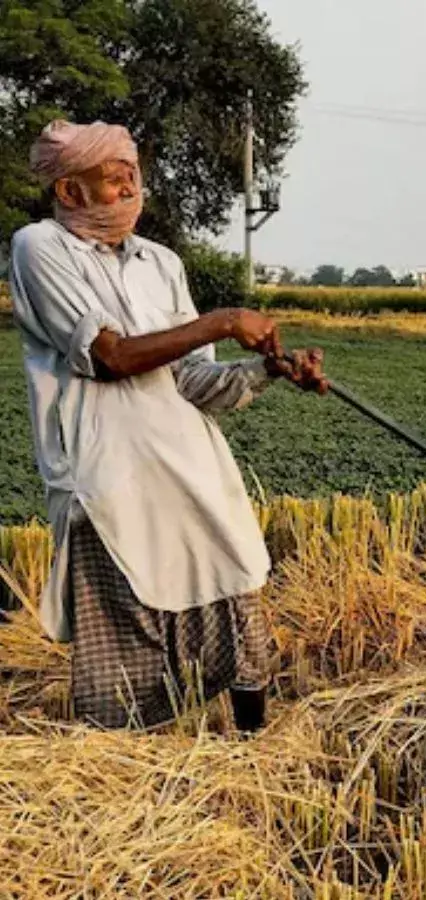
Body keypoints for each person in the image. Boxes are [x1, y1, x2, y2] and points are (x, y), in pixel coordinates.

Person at [6, 119, 327, 732]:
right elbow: (110, 357)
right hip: (107, 477)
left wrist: (273, 369)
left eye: (133, 174)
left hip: (188, 465)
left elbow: (193, 382)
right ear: (70, 192)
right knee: (124, 630)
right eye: (112, 177)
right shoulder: (39, 247)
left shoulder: (161, 263)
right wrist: (223, 320)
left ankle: (253, 750)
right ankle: (130, 767)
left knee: (234, 593)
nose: (130, 187)